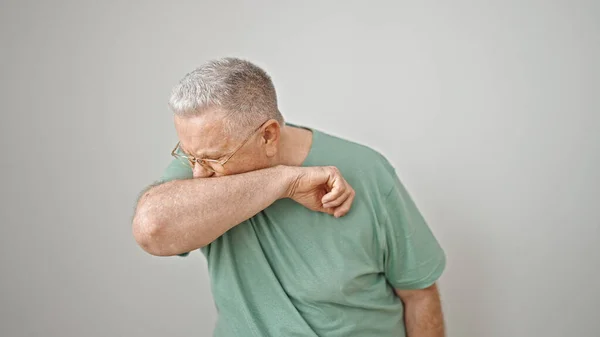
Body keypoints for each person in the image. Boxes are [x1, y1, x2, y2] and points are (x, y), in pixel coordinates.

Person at [132, 57, 446, 337]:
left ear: (268, 135)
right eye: (189, 157)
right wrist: (285, 180)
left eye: (214, 159)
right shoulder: (201, 159)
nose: (199, 176)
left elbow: (418, 294)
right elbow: (152, 229)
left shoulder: (368, 171)